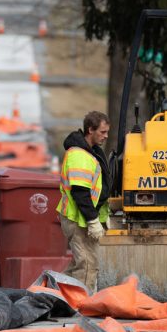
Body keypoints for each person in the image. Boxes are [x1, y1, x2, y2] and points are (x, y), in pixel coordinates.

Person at [57, 111, 111, 293]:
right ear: (90, 130)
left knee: (79, 265)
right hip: (78, 219)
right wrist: (92, 220)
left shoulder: (90, 152)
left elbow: (97, 189)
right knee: (87, 265)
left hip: (81, 218)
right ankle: (81, 306)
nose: (106, 136)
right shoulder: (80, 156)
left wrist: (102, 215)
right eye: (102, 132)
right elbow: (80, 193)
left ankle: (52, 293)